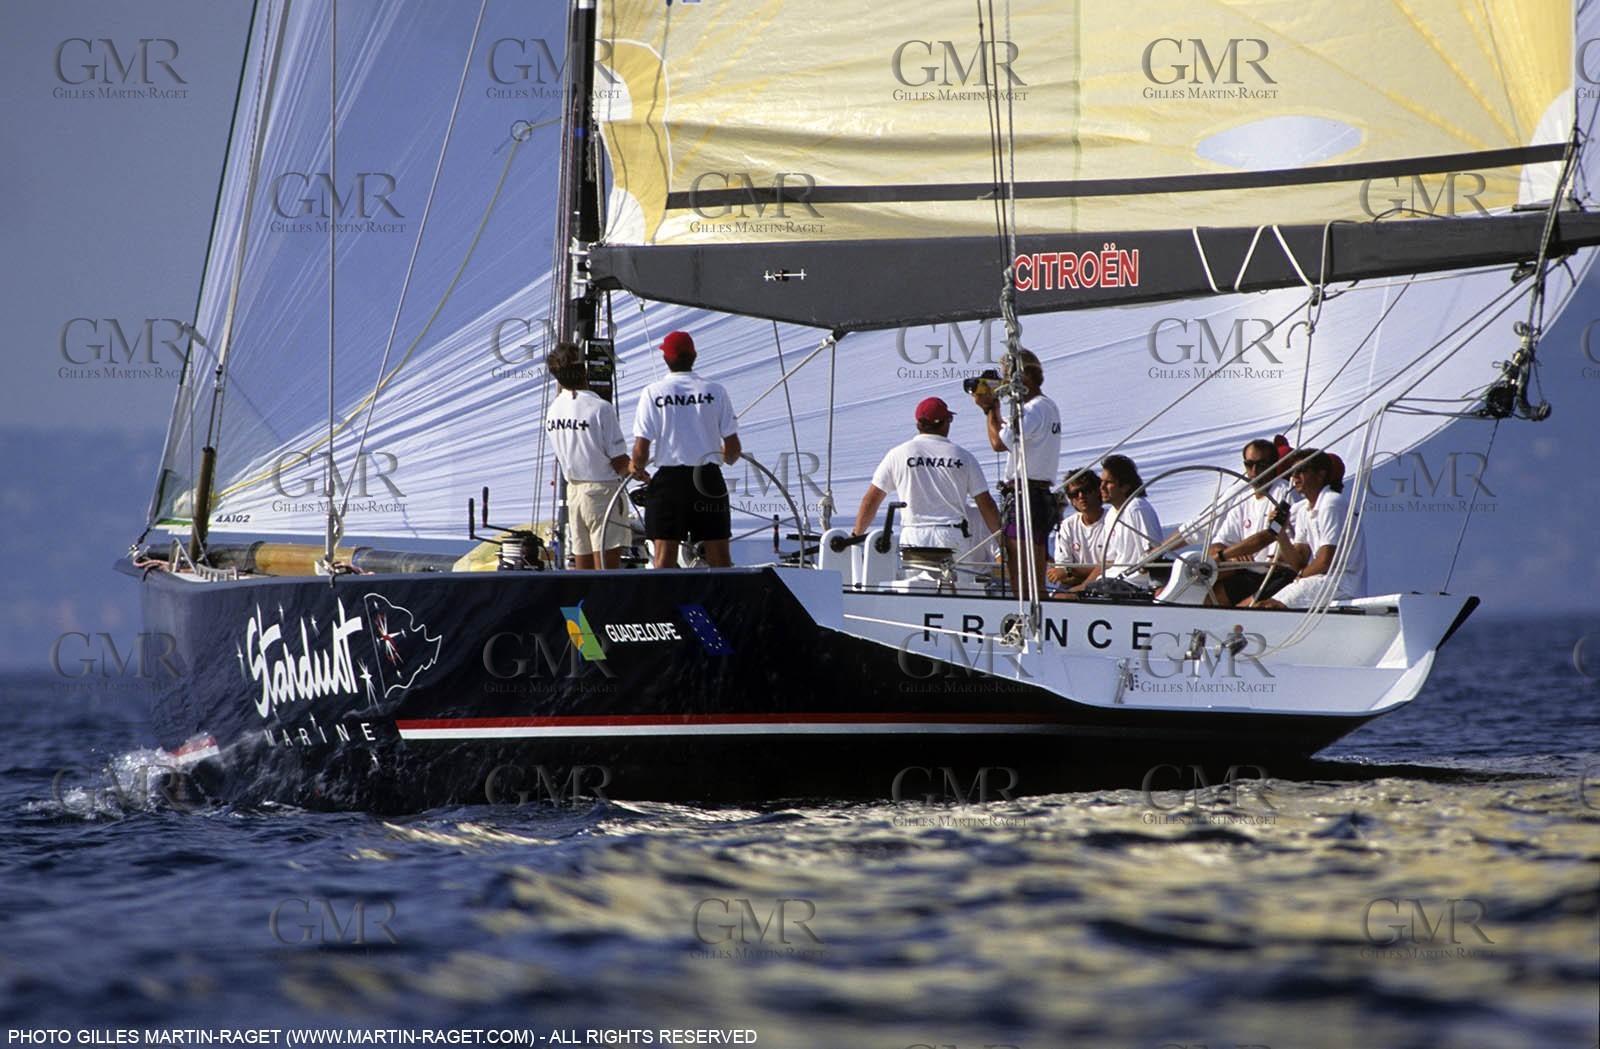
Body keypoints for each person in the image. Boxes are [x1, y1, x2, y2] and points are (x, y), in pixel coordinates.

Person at [630, 330, 741, 569]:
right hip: (708, 480)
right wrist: (719, 455)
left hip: (669, 483)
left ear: (666, 359)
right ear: (694, 355)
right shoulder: (716, 391)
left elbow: (641, 450)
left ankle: (663, 606)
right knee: (720, 558)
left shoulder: (653, 393)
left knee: (663, 559)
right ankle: (724, 605)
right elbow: (733, 451)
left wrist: (637, 469)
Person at [853, 397, 1002, 559]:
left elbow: (871, 500)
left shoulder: (897, 454)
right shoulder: (964, 457)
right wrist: (1002, 541)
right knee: (954, 584)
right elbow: (986, 504)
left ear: (919, 424)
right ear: (945, 422)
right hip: (951, 535)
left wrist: (855, 536)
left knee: (915, 584)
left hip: (913, 536)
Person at [971, 348, 1061, 599]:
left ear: (1026, 378)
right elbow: (1006, 434)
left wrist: (990, 409)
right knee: (1034, 576)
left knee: (1021, 575)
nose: (1004, 383)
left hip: (1025, 497)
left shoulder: (1031, 410)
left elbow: (998, 444)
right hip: (1038, 496)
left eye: (1007, 376)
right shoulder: (1046, 406)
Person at [545, 342, 637, 569]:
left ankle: (584, 605)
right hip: (602, 492)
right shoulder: (601, 408)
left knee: (582, 568)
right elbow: (620, 463)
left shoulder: (553, 410)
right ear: (585, 370)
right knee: (606, 571)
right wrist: (640, 470)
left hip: (574, 492)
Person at [1243, 450, 1368, 610]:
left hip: (1341, 583)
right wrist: (1280, 535)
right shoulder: (1302, 509)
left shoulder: (1332, 503)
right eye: (1292, 471)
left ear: (1320, 475)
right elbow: (1298, 562)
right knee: (1261, 605)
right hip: (1317, 580)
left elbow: (1325, 561)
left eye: (1301, 470)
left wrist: (1300, 577)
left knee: (1267, 607)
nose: (1294, 476)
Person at [1202, 438, 1296, 605]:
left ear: (1274, 465)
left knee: (1234, 606)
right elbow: (1217, 544)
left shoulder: (1285, 494)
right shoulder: (1244, 497)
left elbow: (1270, 535)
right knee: (1203, 595)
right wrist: (1231, 557)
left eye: (1261, 465)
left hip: (1276, 574)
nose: (1254, 471)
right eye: (1248, 464)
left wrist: (1225, 555)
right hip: (1249, 573)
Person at [1070, 454, 1163, 592]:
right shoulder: (1112, 514)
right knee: (1063, 595)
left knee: (1067, 598)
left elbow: (1154, 554)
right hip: (1112, 579)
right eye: (1101, 482)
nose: (1101, 487)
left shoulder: (1137, 508)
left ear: (1125, 486)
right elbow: (1109, 561)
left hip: (1134, 584)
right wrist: (1082, 587)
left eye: (1108, 482)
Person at [1046, 468, 1106, 592]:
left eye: (1086, 490)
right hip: (1074, 588)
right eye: (1075, 494)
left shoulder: (1113, 521)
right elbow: (1060, 576)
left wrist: (1070, 570)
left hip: (1105, 588)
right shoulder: (1067, 526)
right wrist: (1093, 572)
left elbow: (1111, 568)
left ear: (1097, 491)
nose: (1081, 496)